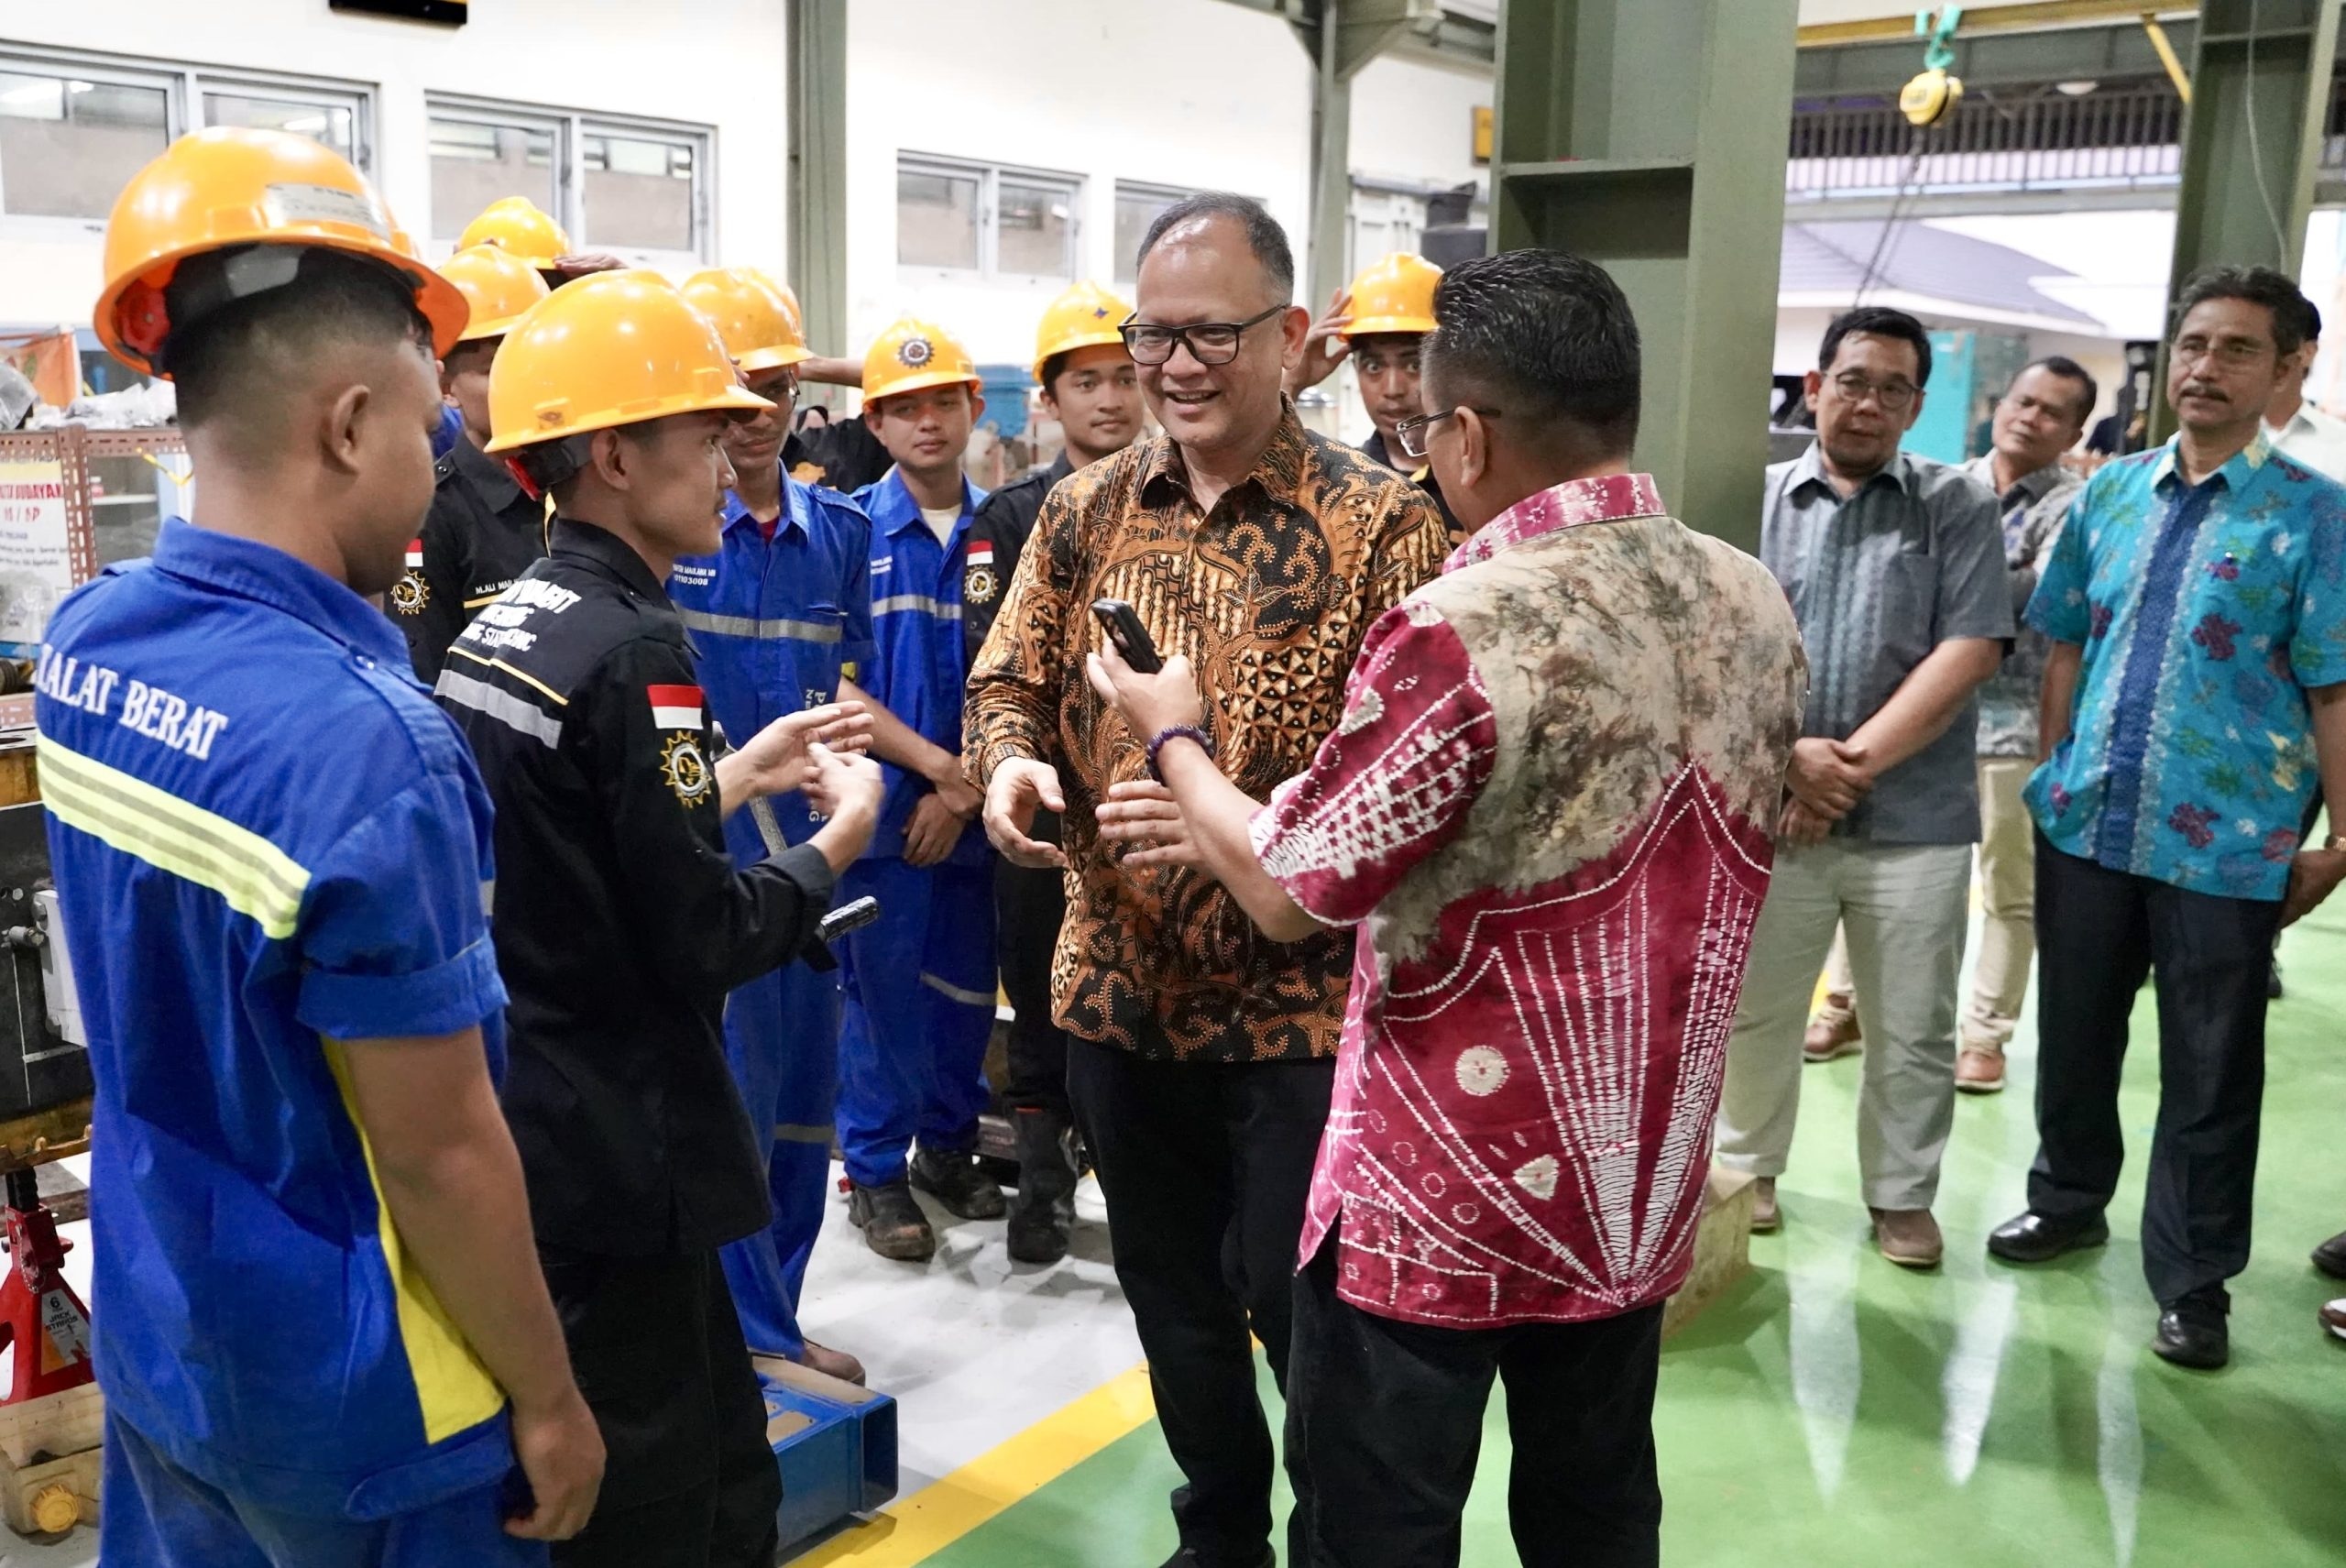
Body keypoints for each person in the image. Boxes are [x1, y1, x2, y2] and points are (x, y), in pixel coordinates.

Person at [1088, 247, 1807, 1568]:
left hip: (1447, 1198)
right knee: (1597, 1510)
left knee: (1380, 1524)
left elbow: (1293, 885)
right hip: (1633, 1177)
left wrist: (1173, 738)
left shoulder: (1464, 622)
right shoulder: (1750, 596)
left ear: (1465, 433)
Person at [50, 126, 602, 1565]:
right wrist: (548, 1396)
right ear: (351, 426)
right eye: (428, 431)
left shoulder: (84, 644)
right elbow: (441, 1152)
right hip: (369, 1409)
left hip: (167, 1337)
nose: (438, 472)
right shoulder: (372, 748)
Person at [968, 192, 1450, 1568]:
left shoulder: (1384, 530)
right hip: (1120, 993)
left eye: (1211, 335)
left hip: (1301, 1011)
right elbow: (1006, 675)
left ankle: (1341, 1537)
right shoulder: (1081, 510)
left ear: (1293, 339)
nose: (1176, 366)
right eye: (1152, 335)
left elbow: (1403, 772)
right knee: (1172, 1301)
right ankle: (1220, 1527)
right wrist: (1009, 767)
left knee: (1307, 1316)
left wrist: (1240, 812)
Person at [436, 269, 885, 1564]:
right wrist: (830, 847)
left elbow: (574, 838)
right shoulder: (640, 646)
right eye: (704, 432)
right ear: (616, 454)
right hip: (629, 1143)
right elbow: (696, 934)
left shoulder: (511, 623)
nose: (739, 450)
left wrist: (739, 773)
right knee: (678, 1505)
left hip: (541, 1113)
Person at [1987, 266, 2346, 1372]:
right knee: (2075, 1037)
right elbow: (2062, 641)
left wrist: (2340, 839)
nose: (2203, 366)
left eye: (2237, 349)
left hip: (2228, 845)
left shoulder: (2315, 517)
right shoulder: (2107, 494)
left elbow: (2334, 685)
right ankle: (2067, 1196)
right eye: (2193, 343)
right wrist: (2054, 774)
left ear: (2291, 369)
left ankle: (2193, 1279)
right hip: (2090, 820)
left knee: (2210, 1069)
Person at [1713, 305, 2011, 1268]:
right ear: (1813, 387)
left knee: (1913, 1023)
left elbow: (1967, 648)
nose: (1868, 403)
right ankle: (1746, 1169)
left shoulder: (1953, 504)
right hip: (1773, 814)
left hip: (1913, 822)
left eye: (1892, 388)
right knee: (1759, 1009)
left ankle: (1900, 1194)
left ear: (1916, 405)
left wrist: (1842, 769)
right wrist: (1786, 755)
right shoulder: (1749, 500)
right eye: (1851, 380)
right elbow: (1712, 652)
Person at [669, 266, 876, 1385]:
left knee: (806, 1108)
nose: (754, 416)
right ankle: (741, 1331)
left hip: (812, 867)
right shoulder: (668, 533)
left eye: (775, 387)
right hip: (710, 859)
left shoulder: (836, 535)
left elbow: (851, 682)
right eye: (734, 390)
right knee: (734, 1105)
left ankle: (777, 1314)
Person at [1802, 357, 2095, 1091]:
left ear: (2075, 431)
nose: (2031, 417)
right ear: (1999, 404)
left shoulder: (2075, 506)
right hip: (1909, 721)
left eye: (2052, 412)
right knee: (1864, 857)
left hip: (2010, 722)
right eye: (2023, 400)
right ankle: (1845, 1003)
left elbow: (2037, 594)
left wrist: (1951, 578)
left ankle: (1986, 1032)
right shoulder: (1939, 482)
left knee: (2006, 886)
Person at [964, 280, 1144, 1265]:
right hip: (1042, 798)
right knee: (1034, 993)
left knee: (1134, 1000)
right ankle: (1041, 1179)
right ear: (1049, 399)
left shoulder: (1176, 508)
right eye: (1087, 381)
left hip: (1149, 797)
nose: (1109, 400)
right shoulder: (1014, 513)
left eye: (1123, 377)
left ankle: (1134, 1183)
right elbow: (989, 660)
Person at [829, 316, 1003, 1262]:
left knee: (964, 993)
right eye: (903, 408)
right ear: (876, 425)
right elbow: (839, 681)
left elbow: (1027, 667)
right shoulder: (849, 532)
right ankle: (876, 1170)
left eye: (942, 400)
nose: (926, 422)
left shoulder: (1007, 526)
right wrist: (935, 772)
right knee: (879, 995)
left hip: (979, 817)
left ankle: (947, 1147)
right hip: (883, 818)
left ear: (974, 407)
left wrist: (967, 788)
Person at [389, 243, 551, 681]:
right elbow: (430, 682)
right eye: (492, 368)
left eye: (531, 361)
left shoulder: (584, 487)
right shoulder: (433, 516)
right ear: (445, 386)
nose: (520, 383)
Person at [1286, 251, 1463, 538]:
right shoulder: (1342, 482)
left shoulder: (1479, 481)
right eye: (1373, 366)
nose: (1393, 389)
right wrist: (1291, 383)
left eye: (1414, 364)